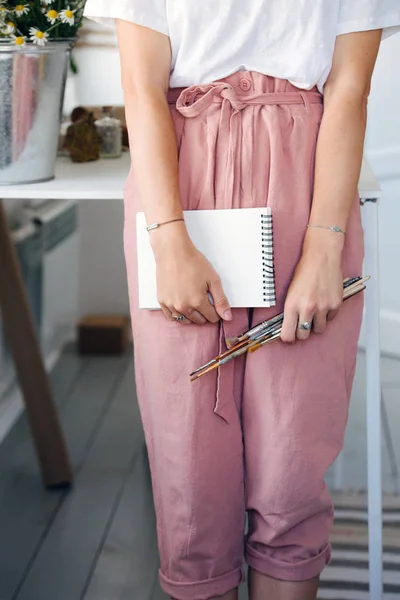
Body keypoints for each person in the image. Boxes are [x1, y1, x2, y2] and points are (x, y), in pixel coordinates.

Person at [84, 2, 400, 599]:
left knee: (293, 463)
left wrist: (326, 248)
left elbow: (350, 88)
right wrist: (168, 239)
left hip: (308, 189)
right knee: (190, 476)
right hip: (181, 184)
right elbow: (142, 87)